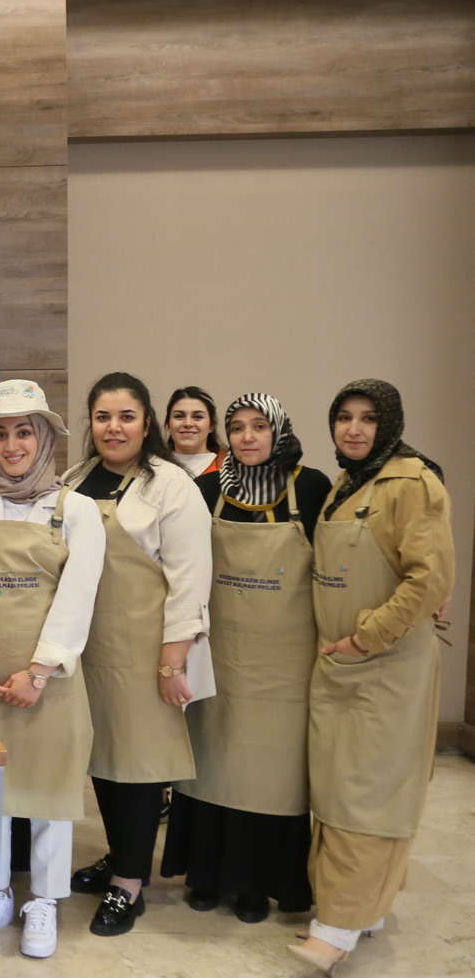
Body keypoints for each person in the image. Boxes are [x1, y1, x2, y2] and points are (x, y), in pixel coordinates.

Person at [289, 379, 452, 975]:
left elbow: (428, 579)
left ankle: (335, 927)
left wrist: (367, 637)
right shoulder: (348, 484)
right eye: (343, 418)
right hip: (340, 669)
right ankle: (364, 909)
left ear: (391, 425)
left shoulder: (412, 483)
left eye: (368, 419)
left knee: (367, 795)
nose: (353, 430)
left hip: (384, 668)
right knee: (337, 790)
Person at [0, 379, 104, 959]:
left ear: (45, 439)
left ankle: (44, 901)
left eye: (24, 433)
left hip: (48, 682)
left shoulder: (76, 510)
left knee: (50, 795)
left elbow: (77, 600)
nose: (12, 445)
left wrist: (38, 672)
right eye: (2, 433)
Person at [162, 393, 330, 923]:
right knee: (214, 762)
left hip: (286, 663)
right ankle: (206, 874)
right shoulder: (206, 489)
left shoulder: (311, 487)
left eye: (259, 426)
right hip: (220, 655)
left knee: (272, 774)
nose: (248, 437)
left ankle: (260, 883)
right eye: (237, 428)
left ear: (279, 430)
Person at [65, 371, 214, 937]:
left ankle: (130, 884)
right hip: (86, 645)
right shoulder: (75, 478)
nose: (114, 427)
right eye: (103, 416)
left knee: (139, 767)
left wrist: (173, 660)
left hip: (145, 647)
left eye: (126, 416)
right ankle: (119, 853)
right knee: (102, 759)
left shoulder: (169, 486)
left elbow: (189, 579)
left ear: (147, 422)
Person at [165, 386, 226, 477]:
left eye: (198, 417)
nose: (188, 423)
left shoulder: (228, 468)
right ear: (168, 425)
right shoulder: (153, 468)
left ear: (211, 425)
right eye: (179, 416)